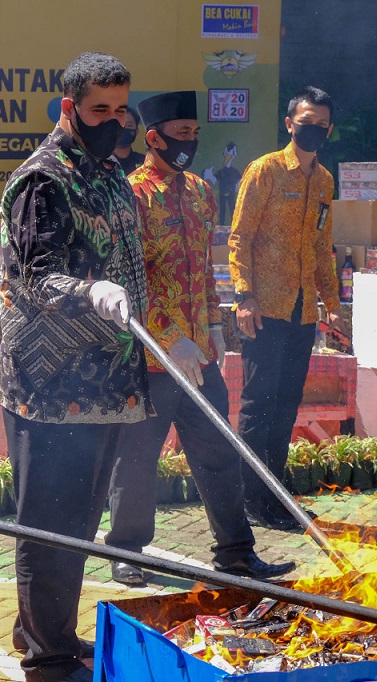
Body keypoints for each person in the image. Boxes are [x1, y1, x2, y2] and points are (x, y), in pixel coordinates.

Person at [105, 91, 295, 588]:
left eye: (195, 134)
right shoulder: (130, 195)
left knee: (217, 450)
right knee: (138, 456)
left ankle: (235, 552)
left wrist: (215, 327)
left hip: (200, 355)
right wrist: (168, 338)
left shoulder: (200, 192)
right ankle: (127, 551)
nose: (190, 143)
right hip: (148, 355)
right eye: (181, 134)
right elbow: (125, 280)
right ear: (153, 137)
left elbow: (206, 274)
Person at [0, 52, 148, 682]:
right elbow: (34, 277)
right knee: (50, 522)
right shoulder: (44, 179)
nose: (113, 122)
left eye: (120, 110)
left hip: (108, 376)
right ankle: (49, 653)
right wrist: (91, 292)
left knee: (82, 517)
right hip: (52, 385)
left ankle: (46, 626)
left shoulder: (111, 173)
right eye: (98, 111)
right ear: (68, 109)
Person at [227, 86, 340, 530]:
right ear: (289, 123)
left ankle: (277, 497)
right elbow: (239, 238)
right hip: (263, 309)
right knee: (258, 404)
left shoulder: (326, 181)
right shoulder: (266, 171)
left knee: (286, 406)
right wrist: (242, 294)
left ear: (328, 130)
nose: (312, 129)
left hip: (302, 314)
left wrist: (331, 303)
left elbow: (320, 244)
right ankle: (252, 500)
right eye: (305, 121)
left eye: (321, 124)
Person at [114, 106, 145, 175]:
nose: (123, 129)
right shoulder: (98, 162)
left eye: (129, 125)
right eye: (119, 125)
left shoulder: (145, 163)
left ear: (137, 131)